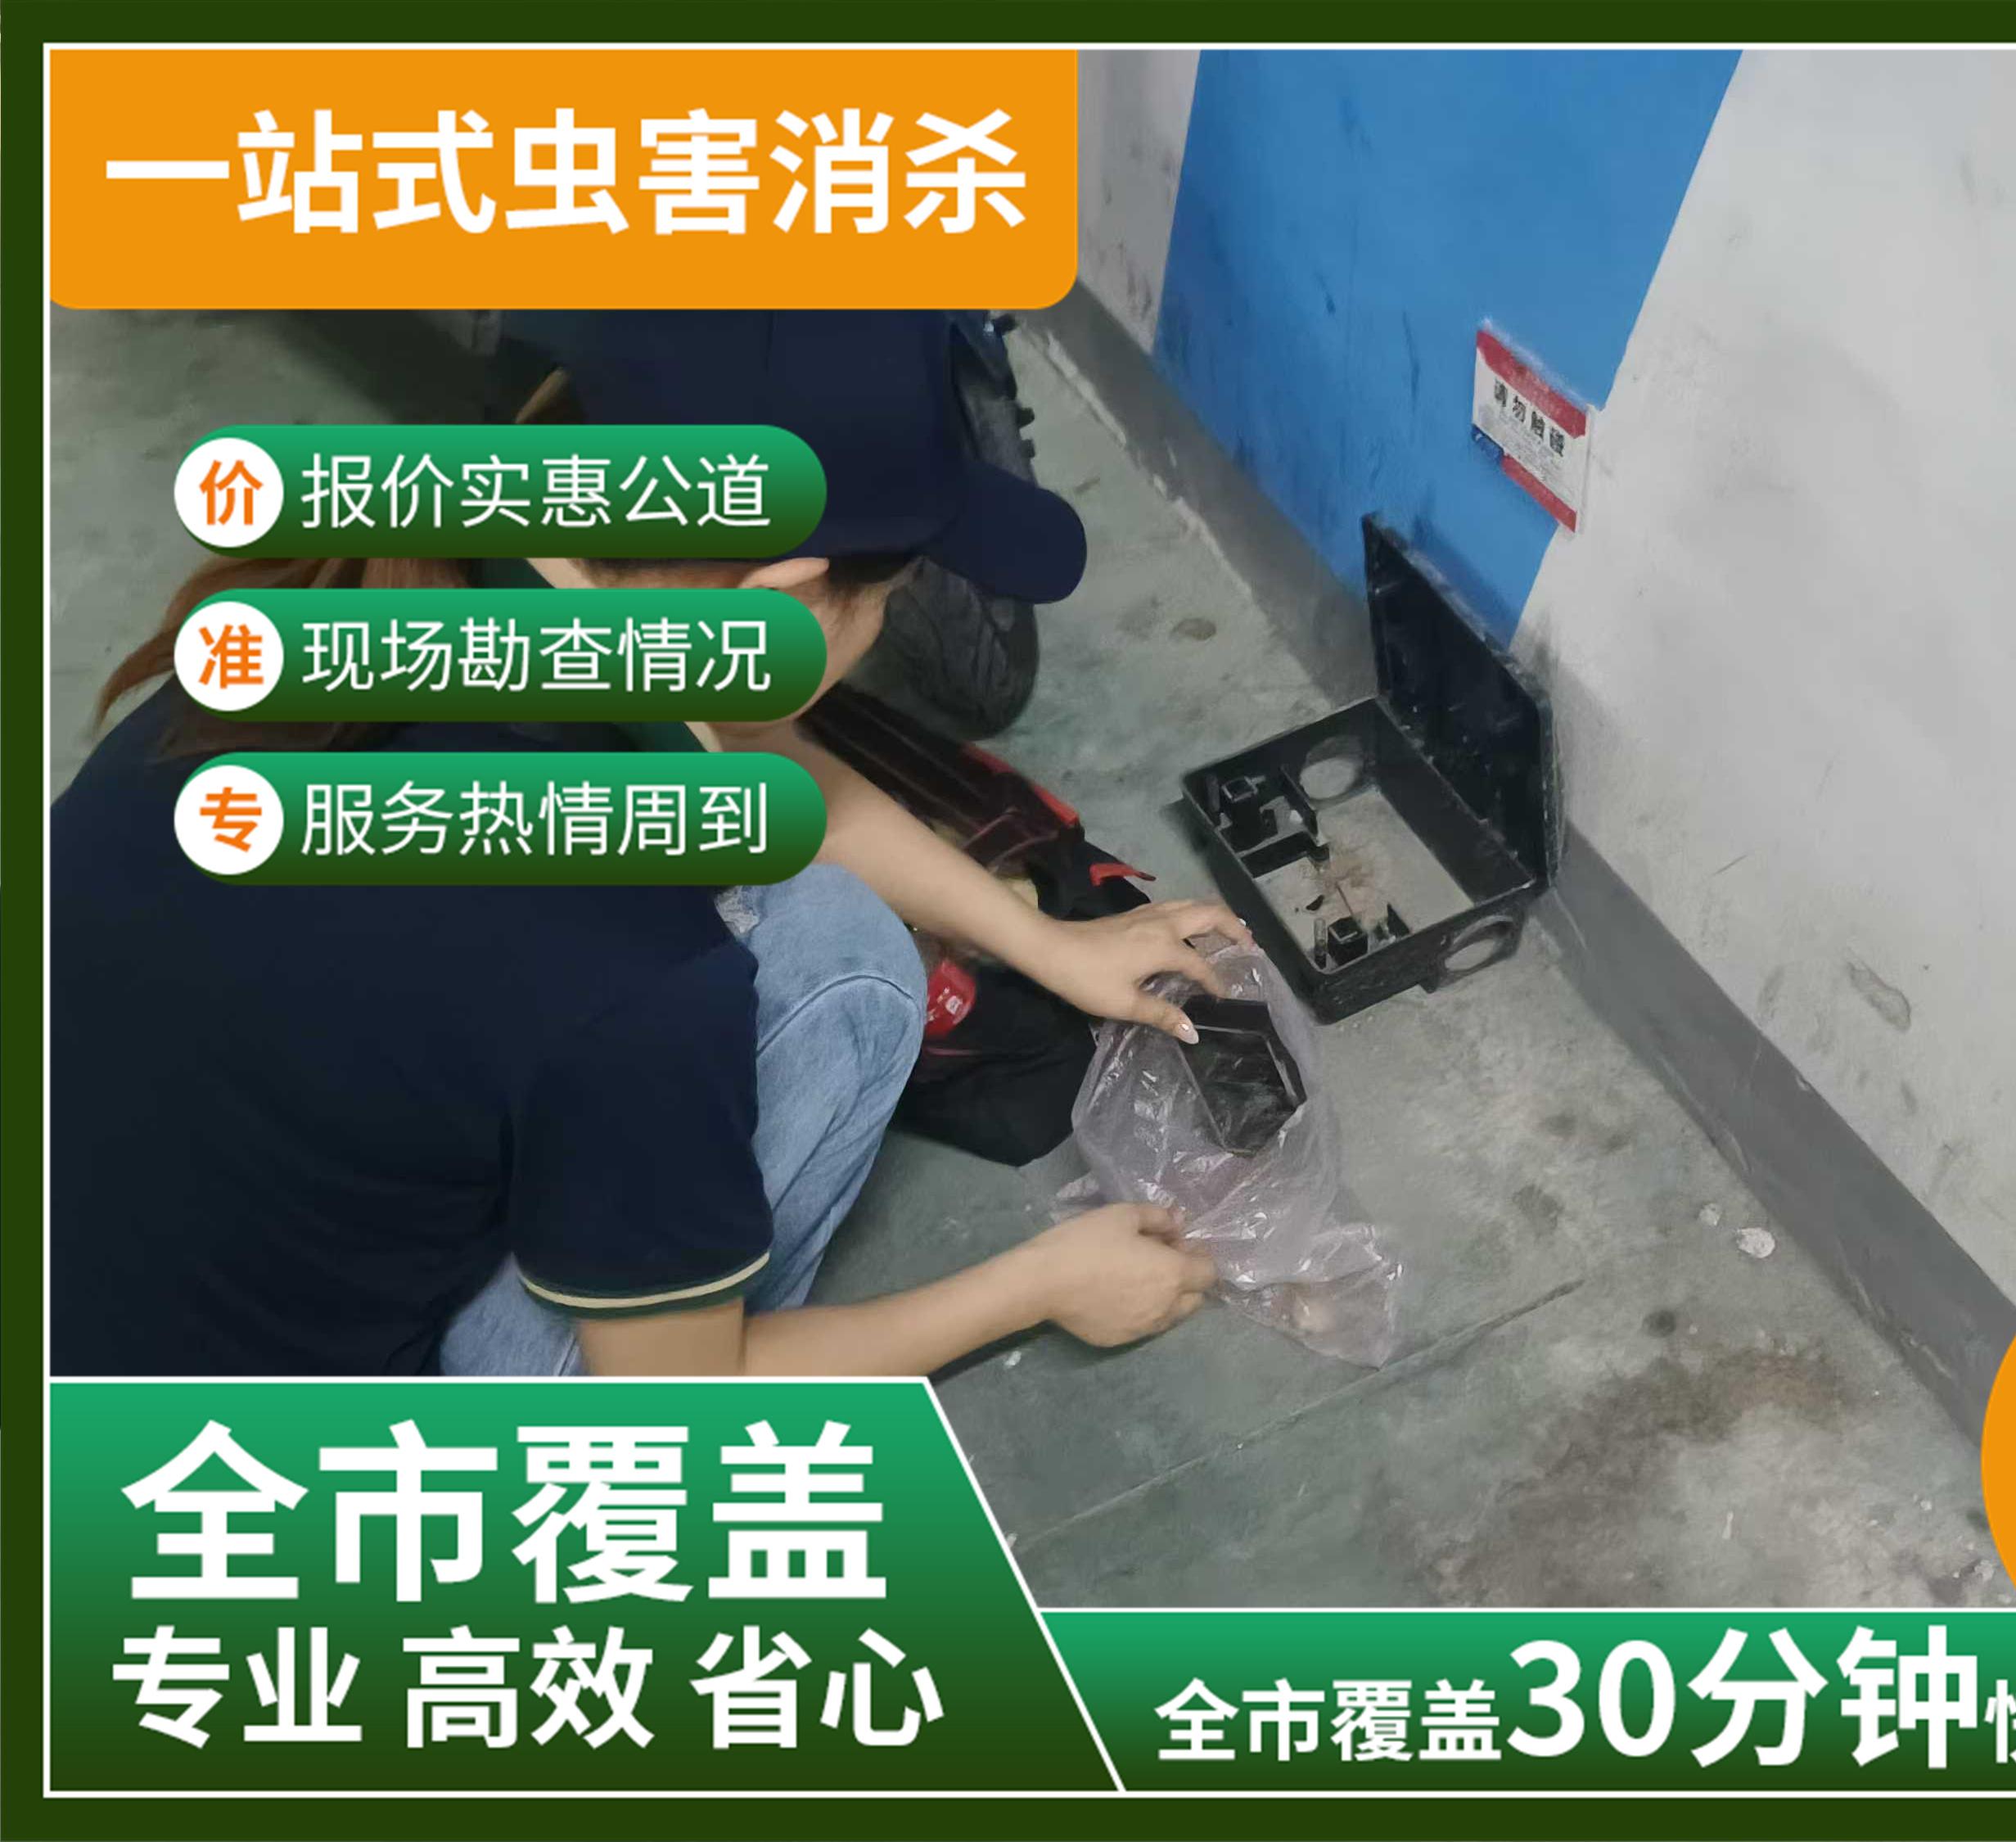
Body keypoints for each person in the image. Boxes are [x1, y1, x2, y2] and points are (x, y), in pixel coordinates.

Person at [51, 309, 1239, 1379]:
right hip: (228, 1479)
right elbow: (675, 1409)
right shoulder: (635, 981)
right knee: (849, 967)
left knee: (789, 929)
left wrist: (1047, 943)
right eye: (894, 591)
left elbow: (760, 768)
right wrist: (1040, 1286)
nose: (885, 627)